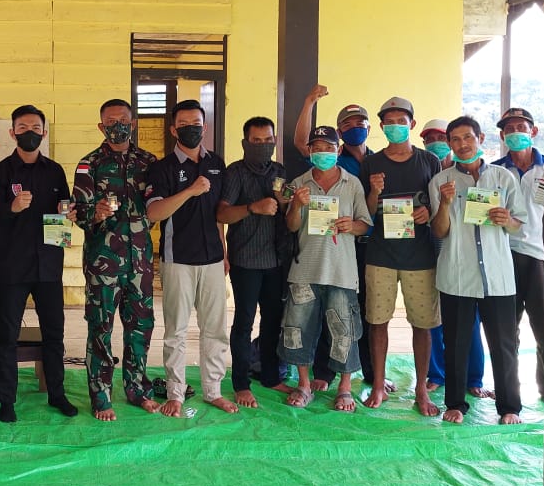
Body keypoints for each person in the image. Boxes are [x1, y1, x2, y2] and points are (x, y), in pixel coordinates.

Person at [0, 105, 79, 423]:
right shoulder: (0, 172)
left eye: (35, 127)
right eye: (22, 127)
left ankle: (57, 394)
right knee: (8, 337)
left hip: (49, 264)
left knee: (54, 333)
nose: (29, 133)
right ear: (12, 133)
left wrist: (69, 212)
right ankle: (7, 401)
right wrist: (11, 207)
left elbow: (65, 208)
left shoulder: (55, 171)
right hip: (12, 267)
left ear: (44, 133)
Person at [430, 116, 527, 425]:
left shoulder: (503, 177)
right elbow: (440, 231)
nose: (463, 144)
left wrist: (507, 219)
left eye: (468, 137)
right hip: (457, 275)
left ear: (480, 138)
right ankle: (455, 404)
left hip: (498, 276)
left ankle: (509, 406)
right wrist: (444, 204)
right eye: (456, 140)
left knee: (504, 345)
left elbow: (518, 224)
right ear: (450, 144)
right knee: (455, 345)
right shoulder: (440, 181)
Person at [145, 99, 238, 417]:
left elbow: (219, 216)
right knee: (176, 330)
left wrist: (224, 253)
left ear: (205, 127)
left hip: (213, 259)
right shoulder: (163, 168)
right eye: (183, 124)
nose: (191, 129)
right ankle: (175, 393)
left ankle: (213, 390)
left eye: (196, 124)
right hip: (178, 260)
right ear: (173, 130)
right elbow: (154, 213)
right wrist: (189, 191)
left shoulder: (217, 164)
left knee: (215, 329)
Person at [72, 99, 160, 420]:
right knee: (101, 327)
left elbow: (157, 206)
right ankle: (101, 394)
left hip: (140, 262)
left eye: (123, 119)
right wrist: (94, 213)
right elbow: (77, 212)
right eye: (110, 121)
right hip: (103, 261)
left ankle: (137, 389)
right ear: (101, 127)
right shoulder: (89, 164)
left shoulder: (149, 162)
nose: (117, 125)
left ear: (133, 123)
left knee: (141, 326)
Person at [294, 85, 385, 393]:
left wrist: (361, 219)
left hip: (367, 247)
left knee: (359, 312)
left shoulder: (376, 161)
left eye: (360, 122)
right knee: (324, 311)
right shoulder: (333, 160)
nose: (355, 127)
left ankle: (370, 374)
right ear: (339, 133)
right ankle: (324, 373)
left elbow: (366, 215)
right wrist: (309, 101)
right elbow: (301, 142)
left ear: (369, 128)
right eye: (347, 124)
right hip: (327, 251)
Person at [361, 97, 443, 417]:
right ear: (382, 127)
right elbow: (365, 213)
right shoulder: (371, 163)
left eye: (401, 121)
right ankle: (378, 385)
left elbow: (438, 205)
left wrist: (427, 211)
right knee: (377, 322)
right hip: (380, 254)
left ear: (412, 124)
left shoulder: (429, 161)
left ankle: (421, 388)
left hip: (420, 256)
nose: (395, 126)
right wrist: (374, 192)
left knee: (422, 325)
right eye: (389, 122)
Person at [282, 127, 373, 412]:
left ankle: (344, 388)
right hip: (304, 269)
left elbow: (365, 224)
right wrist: (296, 205)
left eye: (328, 147)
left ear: (338, 150)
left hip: (342, 271)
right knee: (298, 329)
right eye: (317, 148)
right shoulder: (299, 183)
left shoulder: (352, 183)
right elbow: (291, 226)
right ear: (309, 151)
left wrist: (351, 225)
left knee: (344, 330)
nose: (322, 153)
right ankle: (303, 384)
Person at [216, 116, 292, 408]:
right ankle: (241, 383)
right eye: (256, 141)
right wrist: (252, 207)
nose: (263, 145)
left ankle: (271, 376)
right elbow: (222, 214)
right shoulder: (235, 172)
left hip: (276, 259)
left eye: (268, 140)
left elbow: (289, 210)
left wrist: (284, 201)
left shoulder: (280, 171)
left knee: (273, 320)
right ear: (245, 143)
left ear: (274, 141)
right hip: (246, 260)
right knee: (244, 322)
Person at [421, 118, 491, 399]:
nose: (435, 143)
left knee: (470, 319)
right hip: (431, 251)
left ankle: (474, 377)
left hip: (467, 256)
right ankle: (437, 373)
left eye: (440, 138)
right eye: (429, 139)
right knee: (435, 316)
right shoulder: (426, 171)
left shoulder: (472, 172)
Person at [493, 106, 544, 399]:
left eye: (521, 128)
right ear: (502, 136)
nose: (515, 133)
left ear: (533, 131)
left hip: (540, 258)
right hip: (504, 255)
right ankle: (507, 390)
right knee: (505, 329)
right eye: (509, 129)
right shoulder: (495, 172)